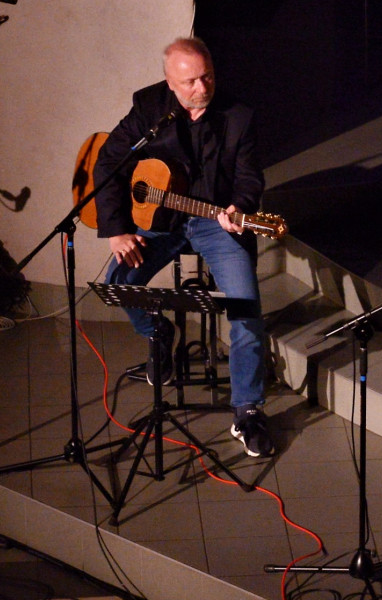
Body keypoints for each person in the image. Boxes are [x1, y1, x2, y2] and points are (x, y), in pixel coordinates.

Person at [94, 37, 273, 457]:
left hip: (215, 223)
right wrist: (118, 229)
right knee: (119, 282)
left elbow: (250, 178)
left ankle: (247, 409)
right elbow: (109, 161)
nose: (201, 86)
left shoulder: (239, 116)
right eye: (190, 80)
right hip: (159, 223)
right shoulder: (149, 108)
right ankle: (160, 336)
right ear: (170, 82)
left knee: (246, 310)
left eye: (206, 75)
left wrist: (240, 207)